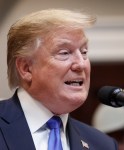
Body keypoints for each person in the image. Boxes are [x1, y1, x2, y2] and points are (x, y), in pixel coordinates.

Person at [0, 9, 118, 150]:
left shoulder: (102, 144)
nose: (80, 64)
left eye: (84, 52)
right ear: (26, 68)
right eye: (64, 53)